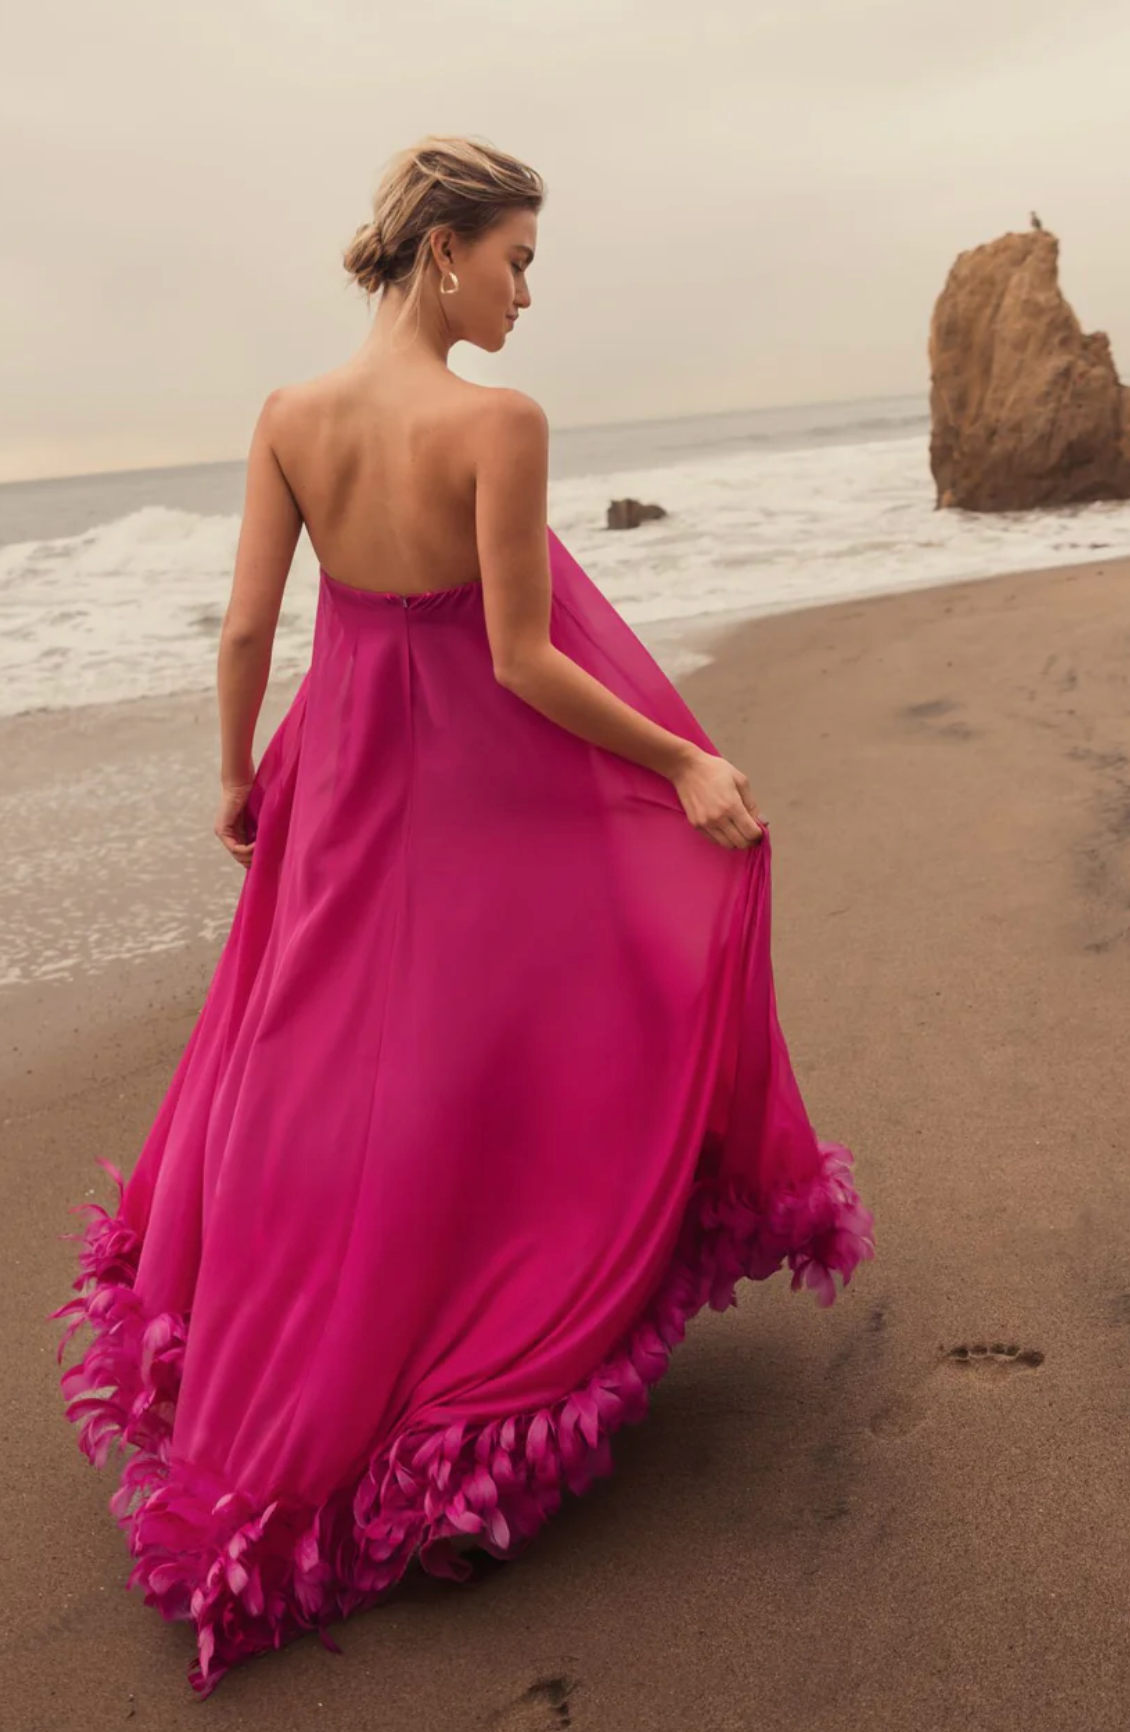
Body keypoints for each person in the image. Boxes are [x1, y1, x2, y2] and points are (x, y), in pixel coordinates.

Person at [52, 134, 874, 1698]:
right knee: (496, 1046)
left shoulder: (289, 416)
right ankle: (441, 1362)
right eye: (514, 261)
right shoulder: (495, 423)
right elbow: (519, 659)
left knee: (308, 1065)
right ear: (441, 251)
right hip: (462, 787)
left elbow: (244, 628)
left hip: (336, 777)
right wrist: (684, 759)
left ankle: (259, 1363)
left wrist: (236, 781)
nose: (524, 294)